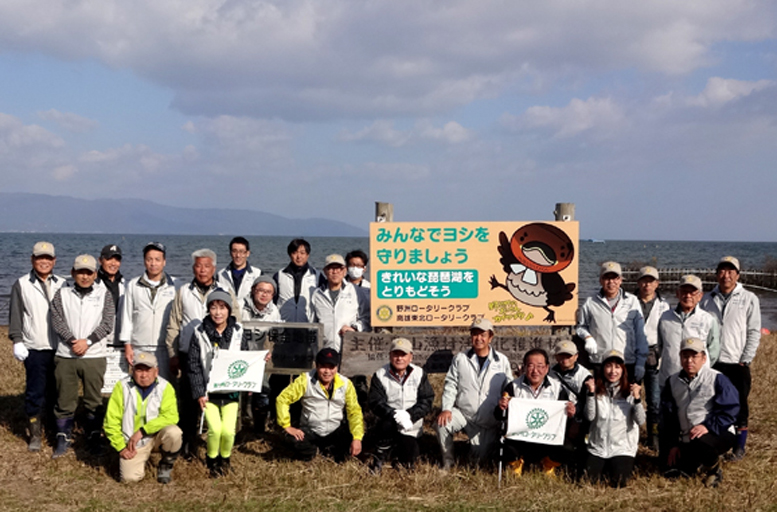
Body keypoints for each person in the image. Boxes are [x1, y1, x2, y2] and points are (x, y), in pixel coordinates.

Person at [166, 248, 238, 458]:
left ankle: (217, 444)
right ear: (193, 268)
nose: (202, 270)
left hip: (220, 358)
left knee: (216, 403)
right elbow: (174, 324)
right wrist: (173, 353)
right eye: (198, 265)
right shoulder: (183, 292)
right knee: (189, 402)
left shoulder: (225, 291)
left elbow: (237, 321)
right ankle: (188, 442)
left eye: (207, 266)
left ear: (214, 268)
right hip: (190, 355)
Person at [49, 254, 115, 458]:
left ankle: (94, 435)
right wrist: (72, 342)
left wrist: (86, 342)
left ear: (95, 274)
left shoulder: (104, 295)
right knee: (65, 398)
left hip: (94, 354)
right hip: (66, 355)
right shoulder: (62, 294)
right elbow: (57, 321)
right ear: (72, 273)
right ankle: (63, 436)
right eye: (80, 272)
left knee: (93, 399)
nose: (84, 276)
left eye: (89, 272)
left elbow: (107, 324)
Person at [9, 241, 68, 452]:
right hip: (35, 347)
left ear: (54, 260)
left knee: (57, 391)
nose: (44, 261)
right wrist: (17, 340)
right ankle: (34, 432)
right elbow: (16, 314)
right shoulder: (22, 284)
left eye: (48, 258)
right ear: (32, 259)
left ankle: (55, 429)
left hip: (60, 347)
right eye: (40, 258)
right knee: (35, 392)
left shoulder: (63, 283)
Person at [700, 256, 761, 460]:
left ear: (738, 274)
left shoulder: (748, 298)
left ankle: (739, 447)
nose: (726, 275)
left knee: (740, 405)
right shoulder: (707, 299)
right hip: (714, 362)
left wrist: (746, 359)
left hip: (737, 362)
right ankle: (717, 442)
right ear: (717, 274)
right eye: (722, 271)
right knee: (714, 404)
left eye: (730, 271)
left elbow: (753, 331)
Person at [436, 318, 514, 470]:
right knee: (442, 424)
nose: (479, 338)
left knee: (477, 461)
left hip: (488, 420)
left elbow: (508, 387)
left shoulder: (502, 360)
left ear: (490, 337)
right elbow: (451, 384)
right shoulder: (460, 358)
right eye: (475, 334)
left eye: (483, 334)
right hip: (464, 414)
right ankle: (448, 462)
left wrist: (506, 401)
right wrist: (446, 408)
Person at [660, 337, 739, 487]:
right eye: (685, 356)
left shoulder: (717, 378)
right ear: (680, 358)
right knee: (670, 470)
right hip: (687, 436)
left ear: (703, 358)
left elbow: (730, 409)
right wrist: (673, 445)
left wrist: (708, 426)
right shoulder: (672, 382)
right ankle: (698, 461)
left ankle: (714, 470)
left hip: (716, 432)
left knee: (701, 442)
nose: (689, 361)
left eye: (694, 356)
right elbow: (669, 416)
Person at [187, 289, 247, 477]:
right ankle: (212, 459)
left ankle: (225, 459)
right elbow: (194, 365)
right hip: (208, 392)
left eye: (222, 307)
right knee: (214, 429)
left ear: (229, 310)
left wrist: (261, 361)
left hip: (231, 392)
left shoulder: (238, 332)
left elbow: (245, 358)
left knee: (228, 431)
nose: (218, 312)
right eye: (213, 307)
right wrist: (198, 392)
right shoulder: (199, 333)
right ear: (208, 310)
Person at [103, 351, 182, 484]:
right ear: (132, 370)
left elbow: (171, 416)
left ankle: (165, 466)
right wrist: (121, 447)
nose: (144, 375)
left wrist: (142, 431)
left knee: (175, 433)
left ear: (156, 371)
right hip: (132, 443)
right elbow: (111, 421)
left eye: (148, 370)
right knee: (130, 479)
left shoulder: (165, 387)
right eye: (139, 370)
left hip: (157, 436)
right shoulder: (121, 387)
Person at [276, 348, 364, 462]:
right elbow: (282, 399)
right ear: (316, 366)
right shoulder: (305, 380)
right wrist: (286, 426)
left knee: (351, 446)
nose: (327, 371)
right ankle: (311, 453)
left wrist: (357, 438)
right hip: (310, 431)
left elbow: (354, 411)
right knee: (292, 440)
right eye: (323, 366)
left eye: (331, 367)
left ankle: (329, 451)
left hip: (335, 430)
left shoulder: (346, 384)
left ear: (337, 367)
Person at [497, 348, 575, 476]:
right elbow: (499, 416)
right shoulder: (513, 386)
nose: (535, 371)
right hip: (521, 439)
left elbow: (566, 417)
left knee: (567, 448)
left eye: (540, 366)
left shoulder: (557, 388)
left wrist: (570, 413)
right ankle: (516, 465)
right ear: (524, 367)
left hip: (547, 439)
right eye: (531, 366)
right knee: (504, 443)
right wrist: (501, 407)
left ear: (546, 368)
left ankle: (548, 464)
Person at [368, 338, 434, 472]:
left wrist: (409, 415)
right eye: (396, 354)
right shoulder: (380, 375)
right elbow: (375, 402)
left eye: (403, 355)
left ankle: (400, 453)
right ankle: (379, 458)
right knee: (385, 427)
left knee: (408, 462)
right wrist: (394, 414)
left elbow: (427, 399)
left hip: (411, 427)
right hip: (388, 424)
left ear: (410, 357)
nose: (399, 358)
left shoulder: (419, 374)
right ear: (390, 356)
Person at [576, 261, 648, 383]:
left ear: (620, 280)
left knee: (626, 400)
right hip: (600, 361)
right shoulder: (590, 302)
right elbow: (581, 326)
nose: (611, 282)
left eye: (615, 278)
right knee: (601, 399)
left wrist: (640, 362)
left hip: (626, 361)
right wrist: (587, 337)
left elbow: (640, 333)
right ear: (600, 280)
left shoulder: (632, 301)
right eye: (606, 278)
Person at [583, 350, 645, 487]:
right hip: (598, 447)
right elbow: (590, 416)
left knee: (619, 482)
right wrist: (591, 394)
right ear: (603, 368)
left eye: (617, 367)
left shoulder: (629, 392)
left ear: (623, 370)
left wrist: (637, 399)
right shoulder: (596, 389)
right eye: (609, 366)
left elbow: (641, 421)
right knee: (588, 482)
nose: (612, 371)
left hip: (622, 448)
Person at [119, 242, 178, 381]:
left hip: (165, 347)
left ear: (164, 262)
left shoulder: (176, 285)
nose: (153, 263)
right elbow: (126, 316)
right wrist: (127, 345)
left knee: (165, 386)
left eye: (157, 259)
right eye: (149, 259)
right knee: (141, 383)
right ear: (144, 261)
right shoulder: (133, 285)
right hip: (140, 345)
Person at [657, 275, 720, 388]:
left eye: (692, 293)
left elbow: (713, 350)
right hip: (669, 377)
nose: (688, 296)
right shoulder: (665, 317)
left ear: (700, 296)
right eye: (684, 292)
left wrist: (699, 365)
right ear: (677, 294)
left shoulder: (708, 319)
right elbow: (661, 346)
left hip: (699, 380)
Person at [241, 275, 283, 435]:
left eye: (269, 292)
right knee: (241, 392)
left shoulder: (274, 312)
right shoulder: (241, 307)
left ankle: (259, 428)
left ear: (273, 295)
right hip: (242, 357)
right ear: (253, 291)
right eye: (260, 290)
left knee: (263, 391)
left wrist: (269, 352)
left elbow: (277, 337)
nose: (264, 294)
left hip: (263, 359)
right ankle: (242, 424)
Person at [635, 266, 670, 451]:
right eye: (643, 280)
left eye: (651, 281)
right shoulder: (629, 302)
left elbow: (667, 334)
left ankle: (653, 436)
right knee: (630, 396)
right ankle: (630, 434)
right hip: (632, 355)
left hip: (655, 356)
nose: (647, 284)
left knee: (654, 401)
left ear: (657, 283)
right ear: (638, 282)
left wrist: (663, 357)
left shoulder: (664, 305)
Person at [550, 340, 593, 475]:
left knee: (578, 445)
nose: (565, 359)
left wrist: (577, 420)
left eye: (568, 356)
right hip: (556, 416)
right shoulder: (550, 373)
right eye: (561, 356)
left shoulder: (585, 375)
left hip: (578, 417)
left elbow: (587, 402)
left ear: (576, 356)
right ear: (556, 356)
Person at [311, 254, 367, 352]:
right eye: (331, 268)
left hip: (349, 348)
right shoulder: (317, 294)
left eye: (339, 268)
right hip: (324, 349)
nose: (335, 272)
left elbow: (366, 318)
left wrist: (355, 328)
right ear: (325, 271)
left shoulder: (356, 291)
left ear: (344, 271)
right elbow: (312, 322)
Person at [273, 238, 323, 322]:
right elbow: (272, 301)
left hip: (308, 325)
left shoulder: (316, 276)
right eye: (295, 252)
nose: (299, 256)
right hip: (284, 325)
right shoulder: (280, 275)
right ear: (290, 255)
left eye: (302, 253)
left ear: (308, 255)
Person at [217, 236, 262, 305]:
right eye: (234, 251)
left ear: (247, 253)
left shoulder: (257, 274)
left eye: (241, 252)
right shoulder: (221, 275)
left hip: (248, 314)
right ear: (230, 253)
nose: (238, 255)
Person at [97, 244, 125, 346]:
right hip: (98, 343)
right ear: (100, 260)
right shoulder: (93, 284)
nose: (113, 263)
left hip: (121, 342)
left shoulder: (125, 285)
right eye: (109, 259)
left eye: (117, 260)